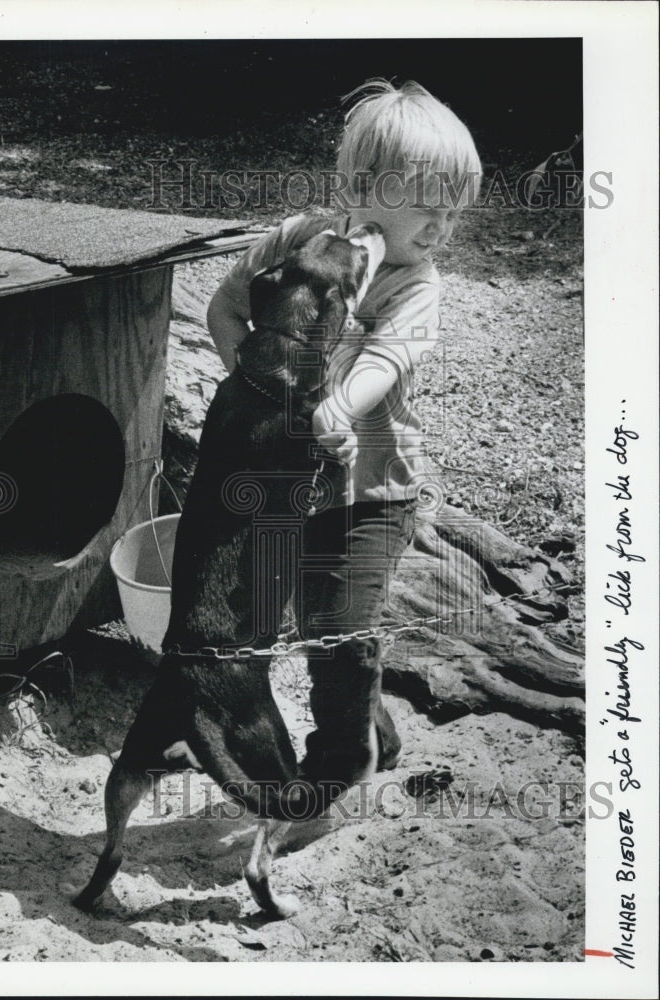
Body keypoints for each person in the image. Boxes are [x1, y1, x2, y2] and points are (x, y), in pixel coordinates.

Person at [206, 78, 482, 806]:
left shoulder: (416, 284)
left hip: (372, 492)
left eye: (453, 213)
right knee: (324, 630)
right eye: (428, 207)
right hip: (296, 486)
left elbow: (385, 358)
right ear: (363, 186)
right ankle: (376, 737)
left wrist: (335, 405)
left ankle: (331, 773)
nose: (440, 228)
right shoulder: (298, 240)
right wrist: (253, 378)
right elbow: (226, 306)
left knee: (337, 628)